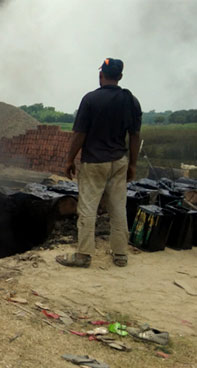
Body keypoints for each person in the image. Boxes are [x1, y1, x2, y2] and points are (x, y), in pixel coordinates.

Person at [56, 57, 142, 268]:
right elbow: (134, 135)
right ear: (120, 76)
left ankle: (84, 255)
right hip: (119, 161)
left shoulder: (90, 100)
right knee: (118, 208)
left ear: (101, 75)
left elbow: (79, 134)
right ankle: (120, 254)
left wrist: (69, 160)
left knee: (87, 208)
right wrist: (132, 164)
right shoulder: (131, 101)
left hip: (94, 163)